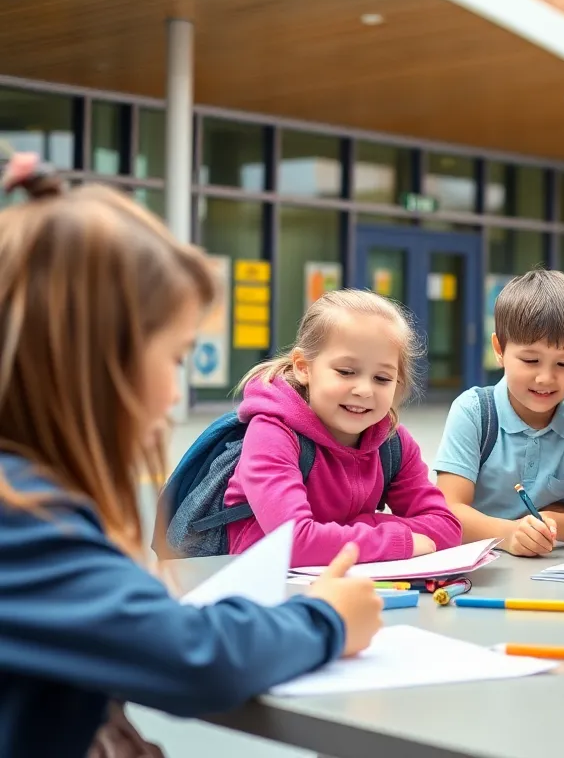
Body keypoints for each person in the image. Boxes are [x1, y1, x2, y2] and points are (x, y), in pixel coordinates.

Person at [0, 154, 381, 757]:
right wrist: (325, 619)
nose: (178, 392)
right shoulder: (19, 516)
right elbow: (194, 655)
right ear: (99, 361)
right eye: (176, 357)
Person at [224, 289, 462, 566]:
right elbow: (292, 542)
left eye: (382, 378)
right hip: (263, 591)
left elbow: (447, 528)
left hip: (347, 584)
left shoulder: (392, 442)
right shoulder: (272, 433)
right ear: (303, 367)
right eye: (346, 372)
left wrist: (362, 524)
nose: (363, 390)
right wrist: (398, 539)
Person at [435, 269, 564, 555]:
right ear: (499, 349)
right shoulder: (475, 412)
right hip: (482, 567)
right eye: (531, 360)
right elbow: (448, 509)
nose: (545, 378)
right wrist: (510, 534)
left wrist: (546, 522)